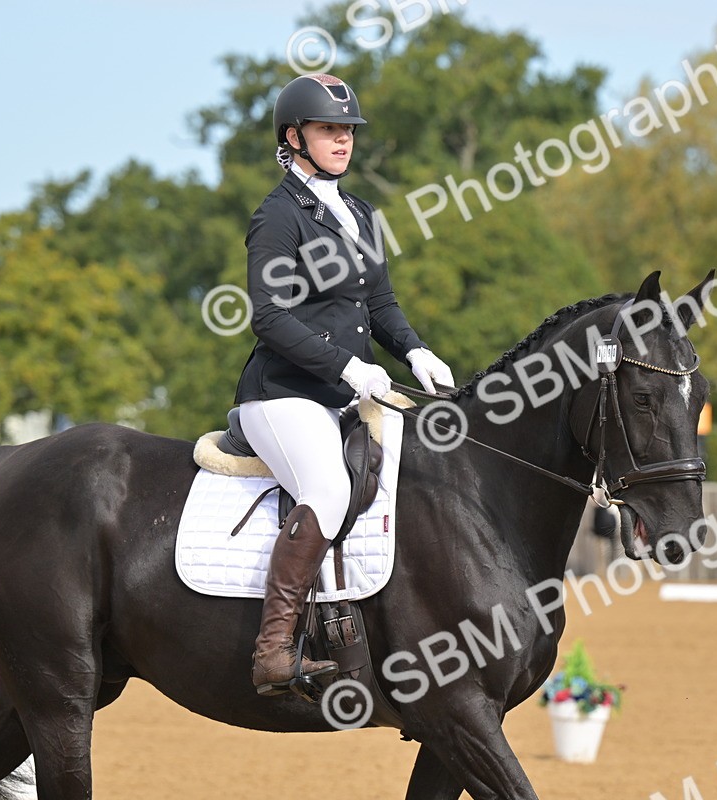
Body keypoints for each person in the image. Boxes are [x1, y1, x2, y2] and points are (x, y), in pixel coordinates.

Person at [234, 73, 454, 696]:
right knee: (329, 488)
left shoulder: (358, 212)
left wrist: (416, 351)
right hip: (282, 396)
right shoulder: (277, 216)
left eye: (348, 131)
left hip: (343, 395)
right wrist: (348, 368)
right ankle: (273, 649)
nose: (342, 140)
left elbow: (379, 301)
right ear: (294, 137)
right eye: (329, 130)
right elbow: (269, 316)